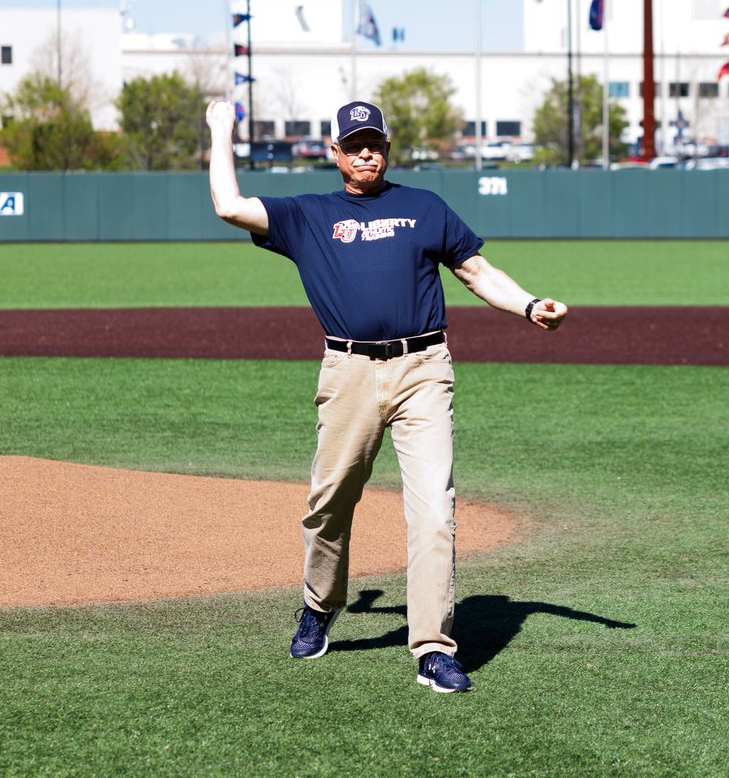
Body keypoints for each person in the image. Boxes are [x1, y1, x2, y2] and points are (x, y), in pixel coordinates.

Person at [205, 99, 568, 693]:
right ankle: (319, 606)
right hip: (347, 371)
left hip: (424, 369)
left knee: (434, 512)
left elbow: (477, 272)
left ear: (388, 147)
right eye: (354, 144)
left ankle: (432, 646)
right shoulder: (309, 215)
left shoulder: (423, 207)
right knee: (330, 502)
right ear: (335, 152)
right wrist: (221, 129)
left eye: (374, 142)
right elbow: (228, 205)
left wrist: (529, 305)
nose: (366, 152)